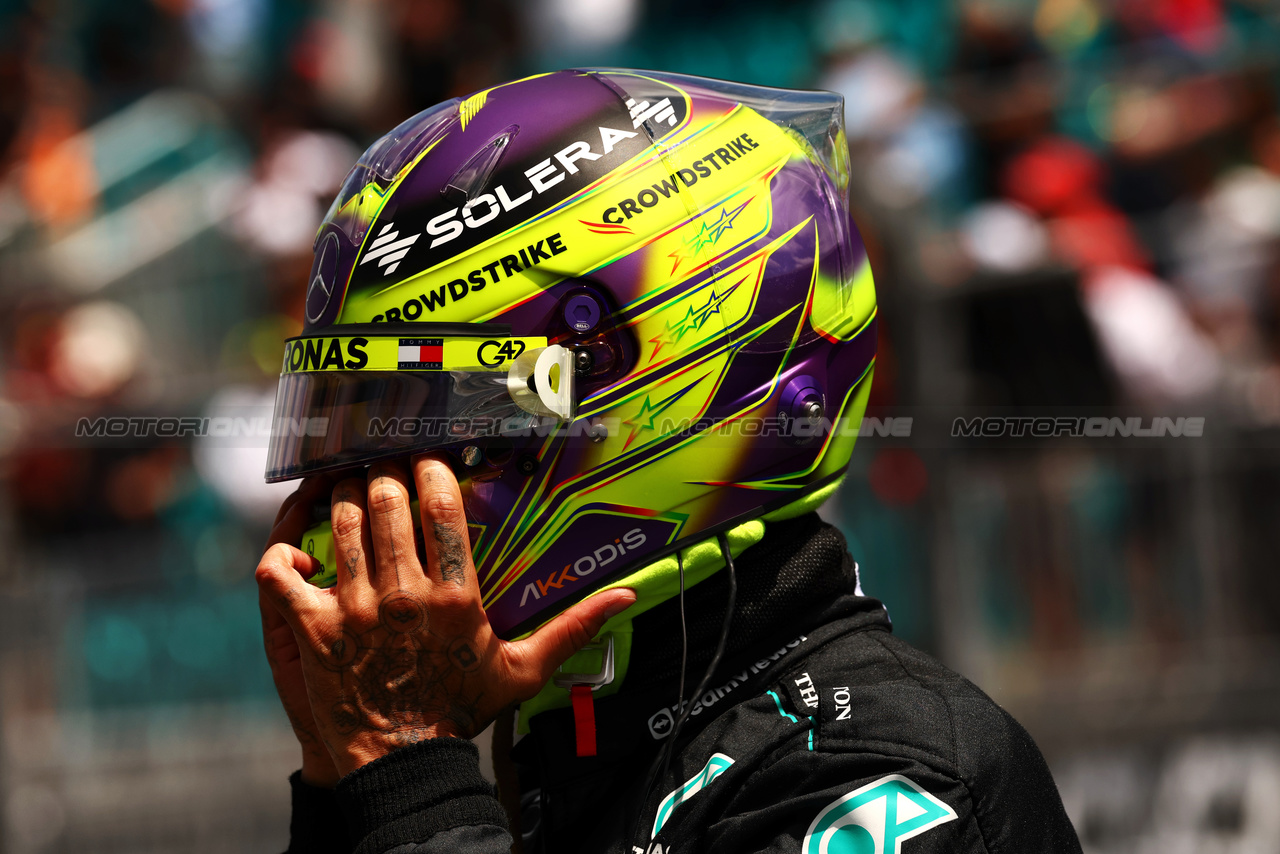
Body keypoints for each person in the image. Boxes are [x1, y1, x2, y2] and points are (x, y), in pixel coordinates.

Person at [255, 69, 1083, 854]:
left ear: (639, 390)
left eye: (434, 435)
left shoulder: (884, 777)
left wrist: (411, 778)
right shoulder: (570, 750)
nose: (350, 511)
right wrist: (345, 786)